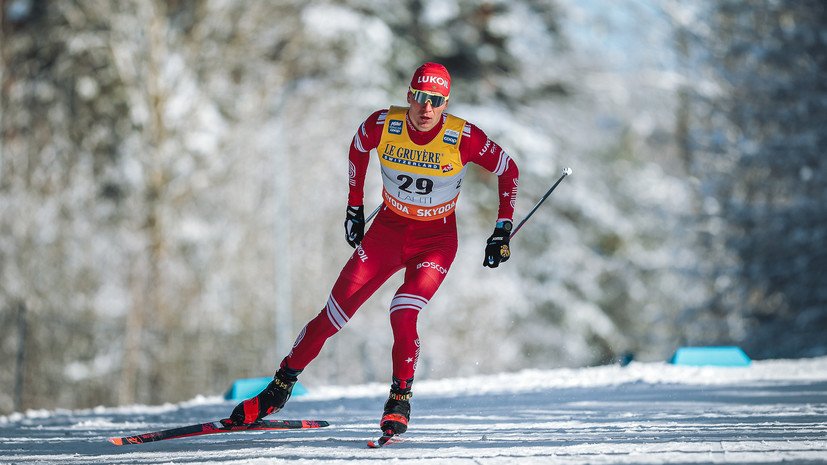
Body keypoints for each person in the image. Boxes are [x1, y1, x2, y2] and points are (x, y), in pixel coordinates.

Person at [229, 62, 520, 436]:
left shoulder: (463, 136)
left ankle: (399, 400)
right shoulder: (385, 125)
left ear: (445, 103)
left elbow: (508, 168)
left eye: (436, 101)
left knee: (402, 310)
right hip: (387, 232)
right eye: (419, 97)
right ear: (409, 96)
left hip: (435, 241)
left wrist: (502, 227)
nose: (426, 108)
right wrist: (354, 206)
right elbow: (358, 146)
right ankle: (277, 389)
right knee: (331, 316)